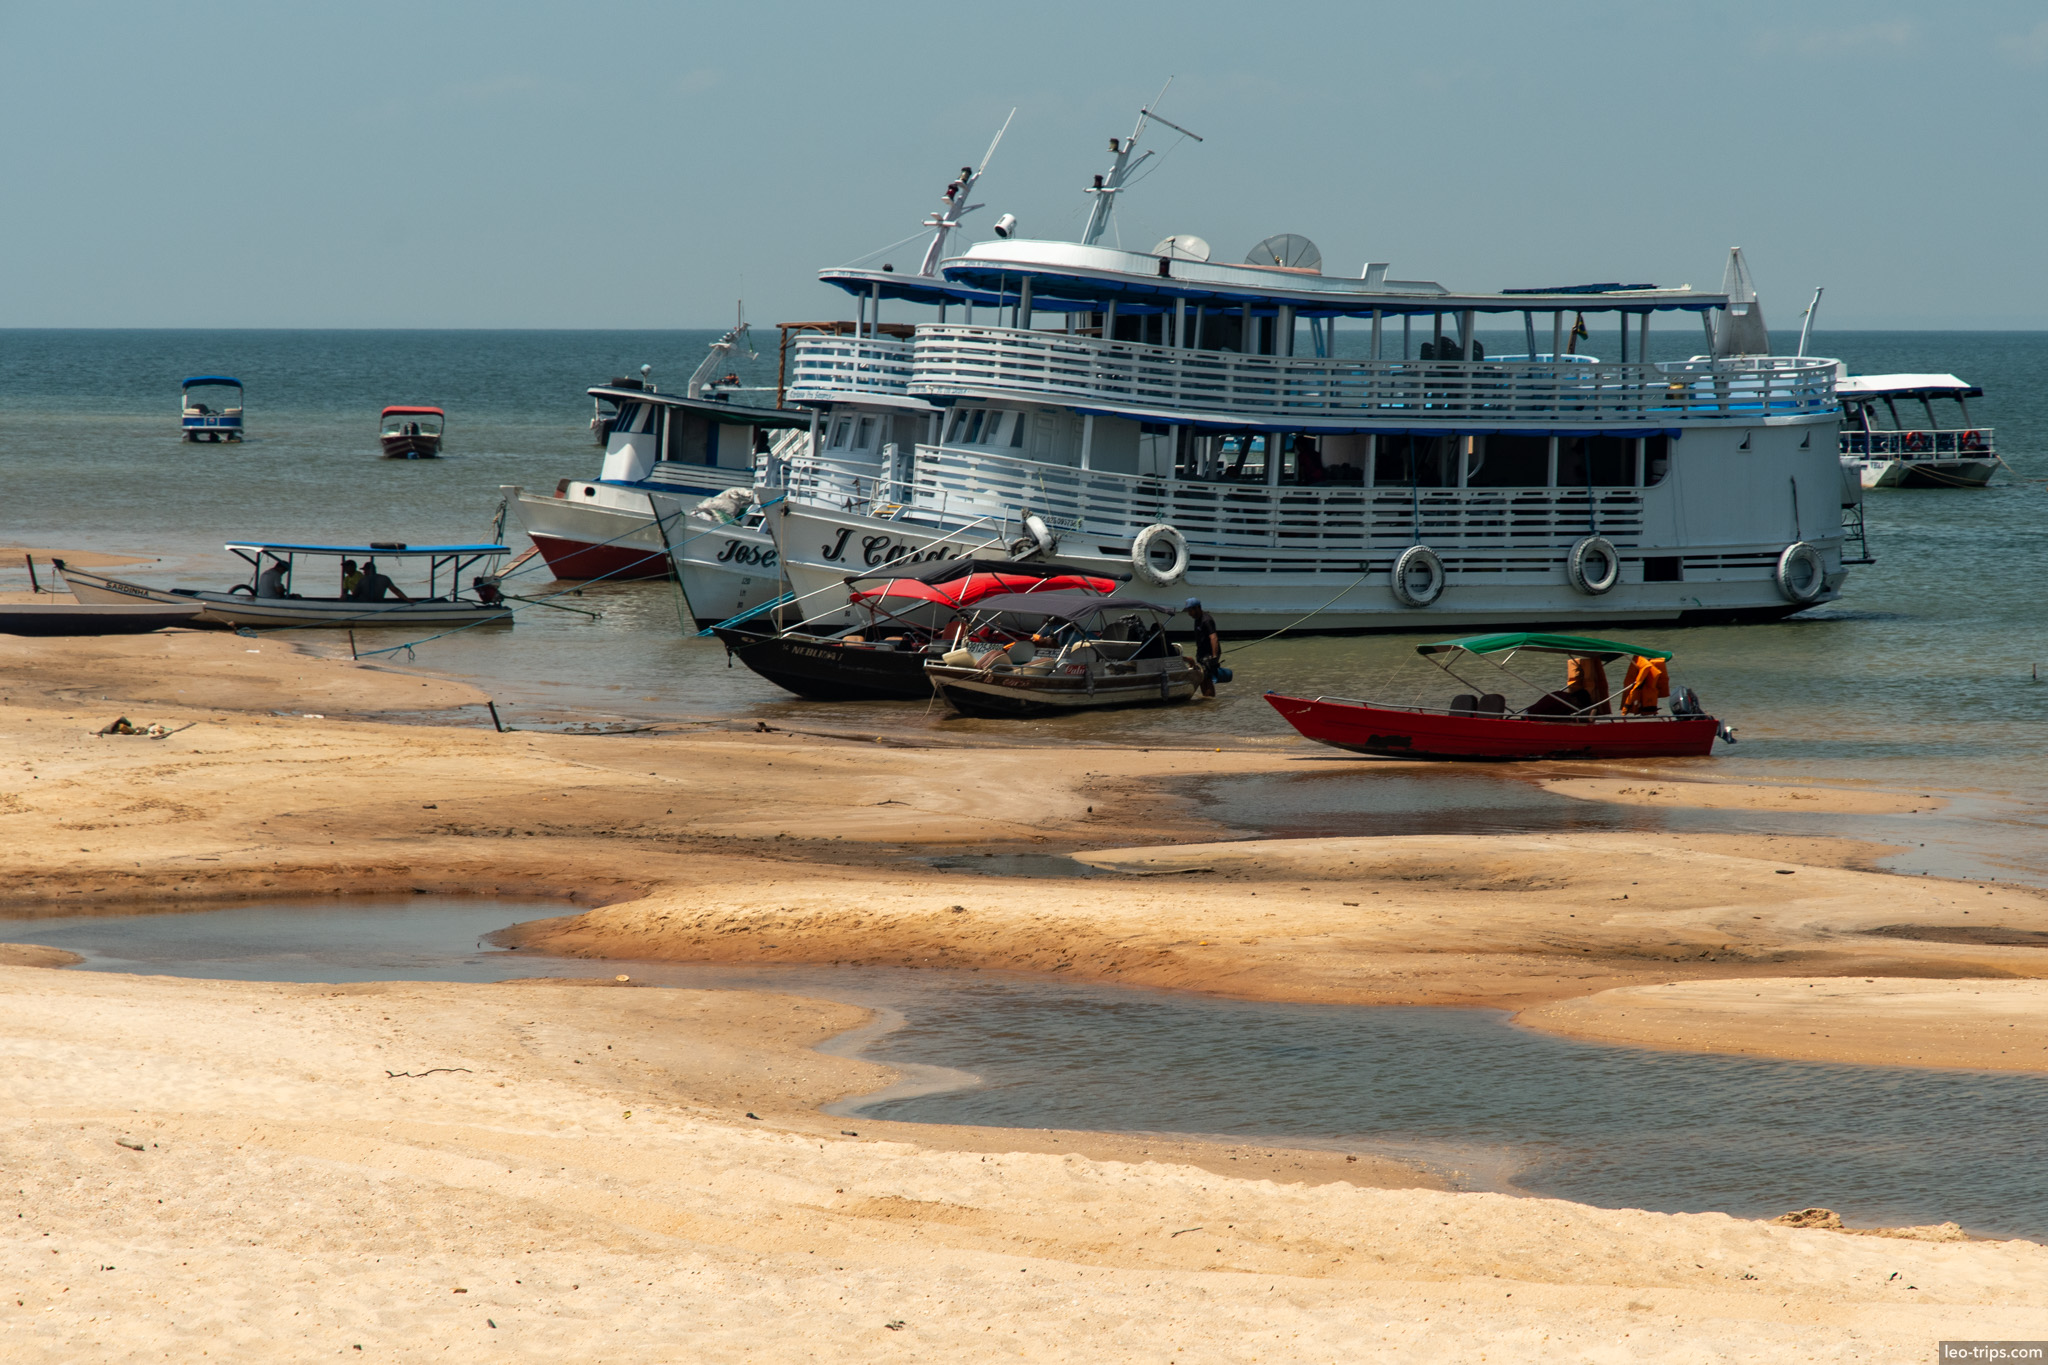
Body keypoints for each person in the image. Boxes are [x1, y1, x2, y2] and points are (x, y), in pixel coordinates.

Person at [1183, 596, 1221, 698]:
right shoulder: (1197, 620)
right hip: (1201, 653)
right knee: (1201, 678)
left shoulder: (1207, 620)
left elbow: (1214, 638)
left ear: (1197, 608)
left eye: (1190, 611)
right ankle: (1206, 699)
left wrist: (1214, 657)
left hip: (1208, 654)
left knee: (1206, 678)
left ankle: (1210, 702)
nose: (1189, 613)